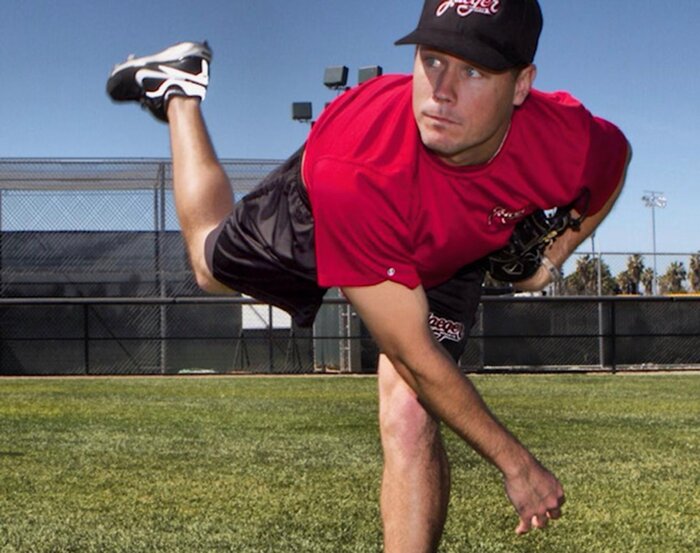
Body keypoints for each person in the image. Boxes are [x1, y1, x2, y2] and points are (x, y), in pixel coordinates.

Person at [107, 1, 630, 551]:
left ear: (522, 85)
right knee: (208, 265)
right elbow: (411, 353)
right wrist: (517, 464)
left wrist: (552, 259)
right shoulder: (356, 169)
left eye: (474, 70)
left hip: (453, 250)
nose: (442, 90)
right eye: (432, 60)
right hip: (329, 209)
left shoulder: (566, 138)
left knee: (409, 415)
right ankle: (181, 93)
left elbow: (613, 159)